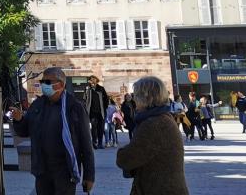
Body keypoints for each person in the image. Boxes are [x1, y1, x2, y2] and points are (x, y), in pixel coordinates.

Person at [10, 67, 95, 195]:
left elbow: (86, 144)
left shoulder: (74, 107)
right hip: (42, 170)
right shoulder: (37, 105)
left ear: (60, 84)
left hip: (65, 171)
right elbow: (24, 131)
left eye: (48, 82)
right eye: (42, 81)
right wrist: (18, 120)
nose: (44, 85)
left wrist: (89, 176)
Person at [115, 76, 190, 195]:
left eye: (136, 96)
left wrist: (121, 152)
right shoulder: (164, 117)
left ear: (145, 98)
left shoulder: (153, 124)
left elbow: (126, 159)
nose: (134, 100)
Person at [83, 76, 110, 149]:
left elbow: (106, 99)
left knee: (100, 128)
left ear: (95, 81)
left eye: (92, 80)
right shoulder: (88, 89)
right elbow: (84, 99)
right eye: (90, 80)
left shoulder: (101, 89)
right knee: (93, 128)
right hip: (92, 113)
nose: (91, 81)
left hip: (101, 112)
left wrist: (105, 107)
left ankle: (100, 143)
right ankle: (94, 142)